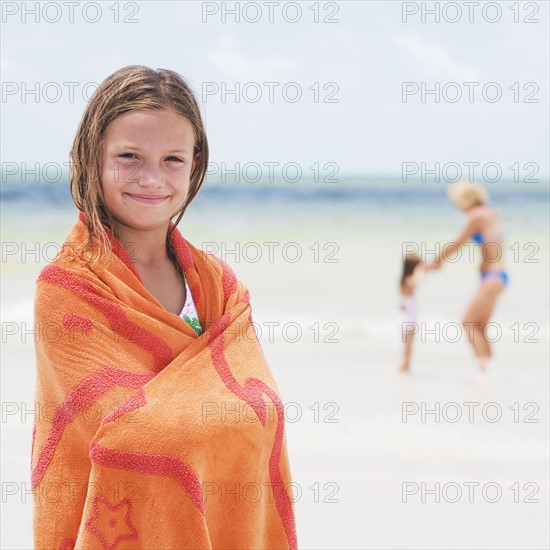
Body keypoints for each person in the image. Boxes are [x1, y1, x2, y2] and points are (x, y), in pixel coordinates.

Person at [31, 66, 297, 549]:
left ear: (195, 166)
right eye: (129, 156)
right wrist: (216, 418)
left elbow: (263, 411)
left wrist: (211, 421)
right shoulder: (68, 286)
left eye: (173, 158)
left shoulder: (219, 286)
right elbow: (129, 438)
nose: (152, 178)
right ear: (90, 159)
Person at [425, 180, 508, 373]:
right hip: (498, 276)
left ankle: (485, 371)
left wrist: (436, 261)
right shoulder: (490, 213)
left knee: (468, 322)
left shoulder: (477, 216)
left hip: (492, 276)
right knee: (479, 326)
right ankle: (491, 372)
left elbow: (457, 243)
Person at [398, 253, 425, 373]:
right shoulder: (408, 281)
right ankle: (404, 365)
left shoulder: (402, 281)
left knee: (407, 345)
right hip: (408, 319)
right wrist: (421, 269)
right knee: (408, 345)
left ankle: (406, 365)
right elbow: (418, 281)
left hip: (405, 317)